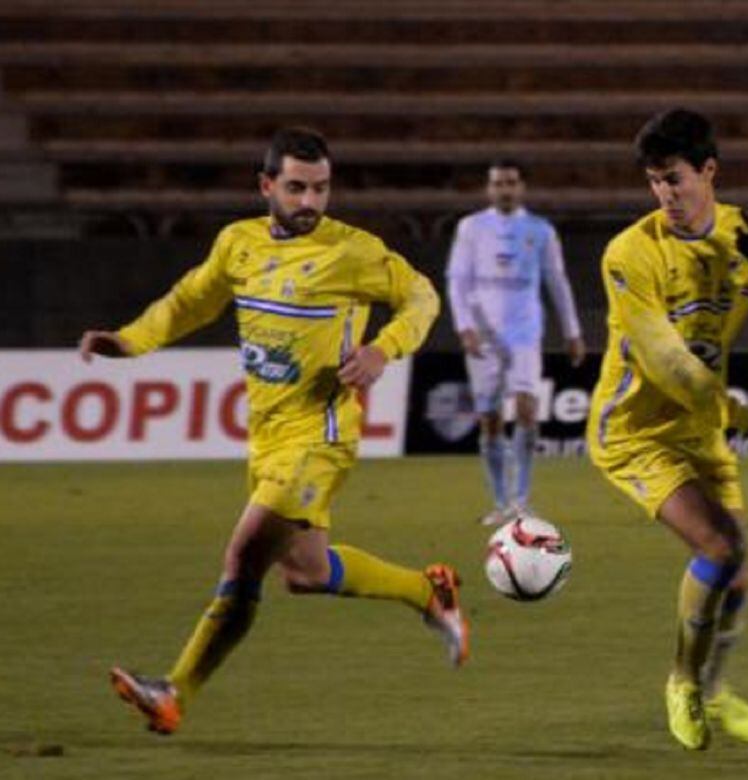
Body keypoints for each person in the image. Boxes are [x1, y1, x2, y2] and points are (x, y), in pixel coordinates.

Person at [79, 127, 469, 736]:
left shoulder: (355, 252)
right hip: (266, 437)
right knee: (306, 574)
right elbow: (191, 302)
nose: (310, 202)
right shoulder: (238, 244)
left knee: (243, 558)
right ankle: (428, 592)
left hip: (322, 437)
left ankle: (174, 691)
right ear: (266, 186)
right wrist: (130, 340)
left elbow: (421, 298)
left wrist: (384, 349)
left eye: (320, 188)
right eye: (296, 188)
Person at [585, 108, 748, 751]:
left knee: (736, 581)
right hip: (634, 430)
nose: (665, 195)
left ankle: (713, 686)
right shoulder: (629, 254)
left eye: (674, 179)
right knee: (720, 546)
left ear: (709, 171)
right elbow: (671, 365)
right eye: (654, 182)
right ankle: (683, 681)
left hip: (703, 431)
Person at [446, 160, 585, 526]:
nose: (504, 189)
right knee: (490, 419)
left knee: (526, 408)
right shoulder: (471, 228)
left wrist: (572, 331)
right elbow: (457, 281)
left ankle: (521, 500)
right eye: (497, 183)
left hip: (524, 332)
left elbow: (558, 282)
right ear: (489, 188)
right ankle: (500, 502)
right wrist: (464, 326)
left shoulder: (539, 230)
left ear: (521, 187)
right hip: (483, 333)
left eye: (510, 182)